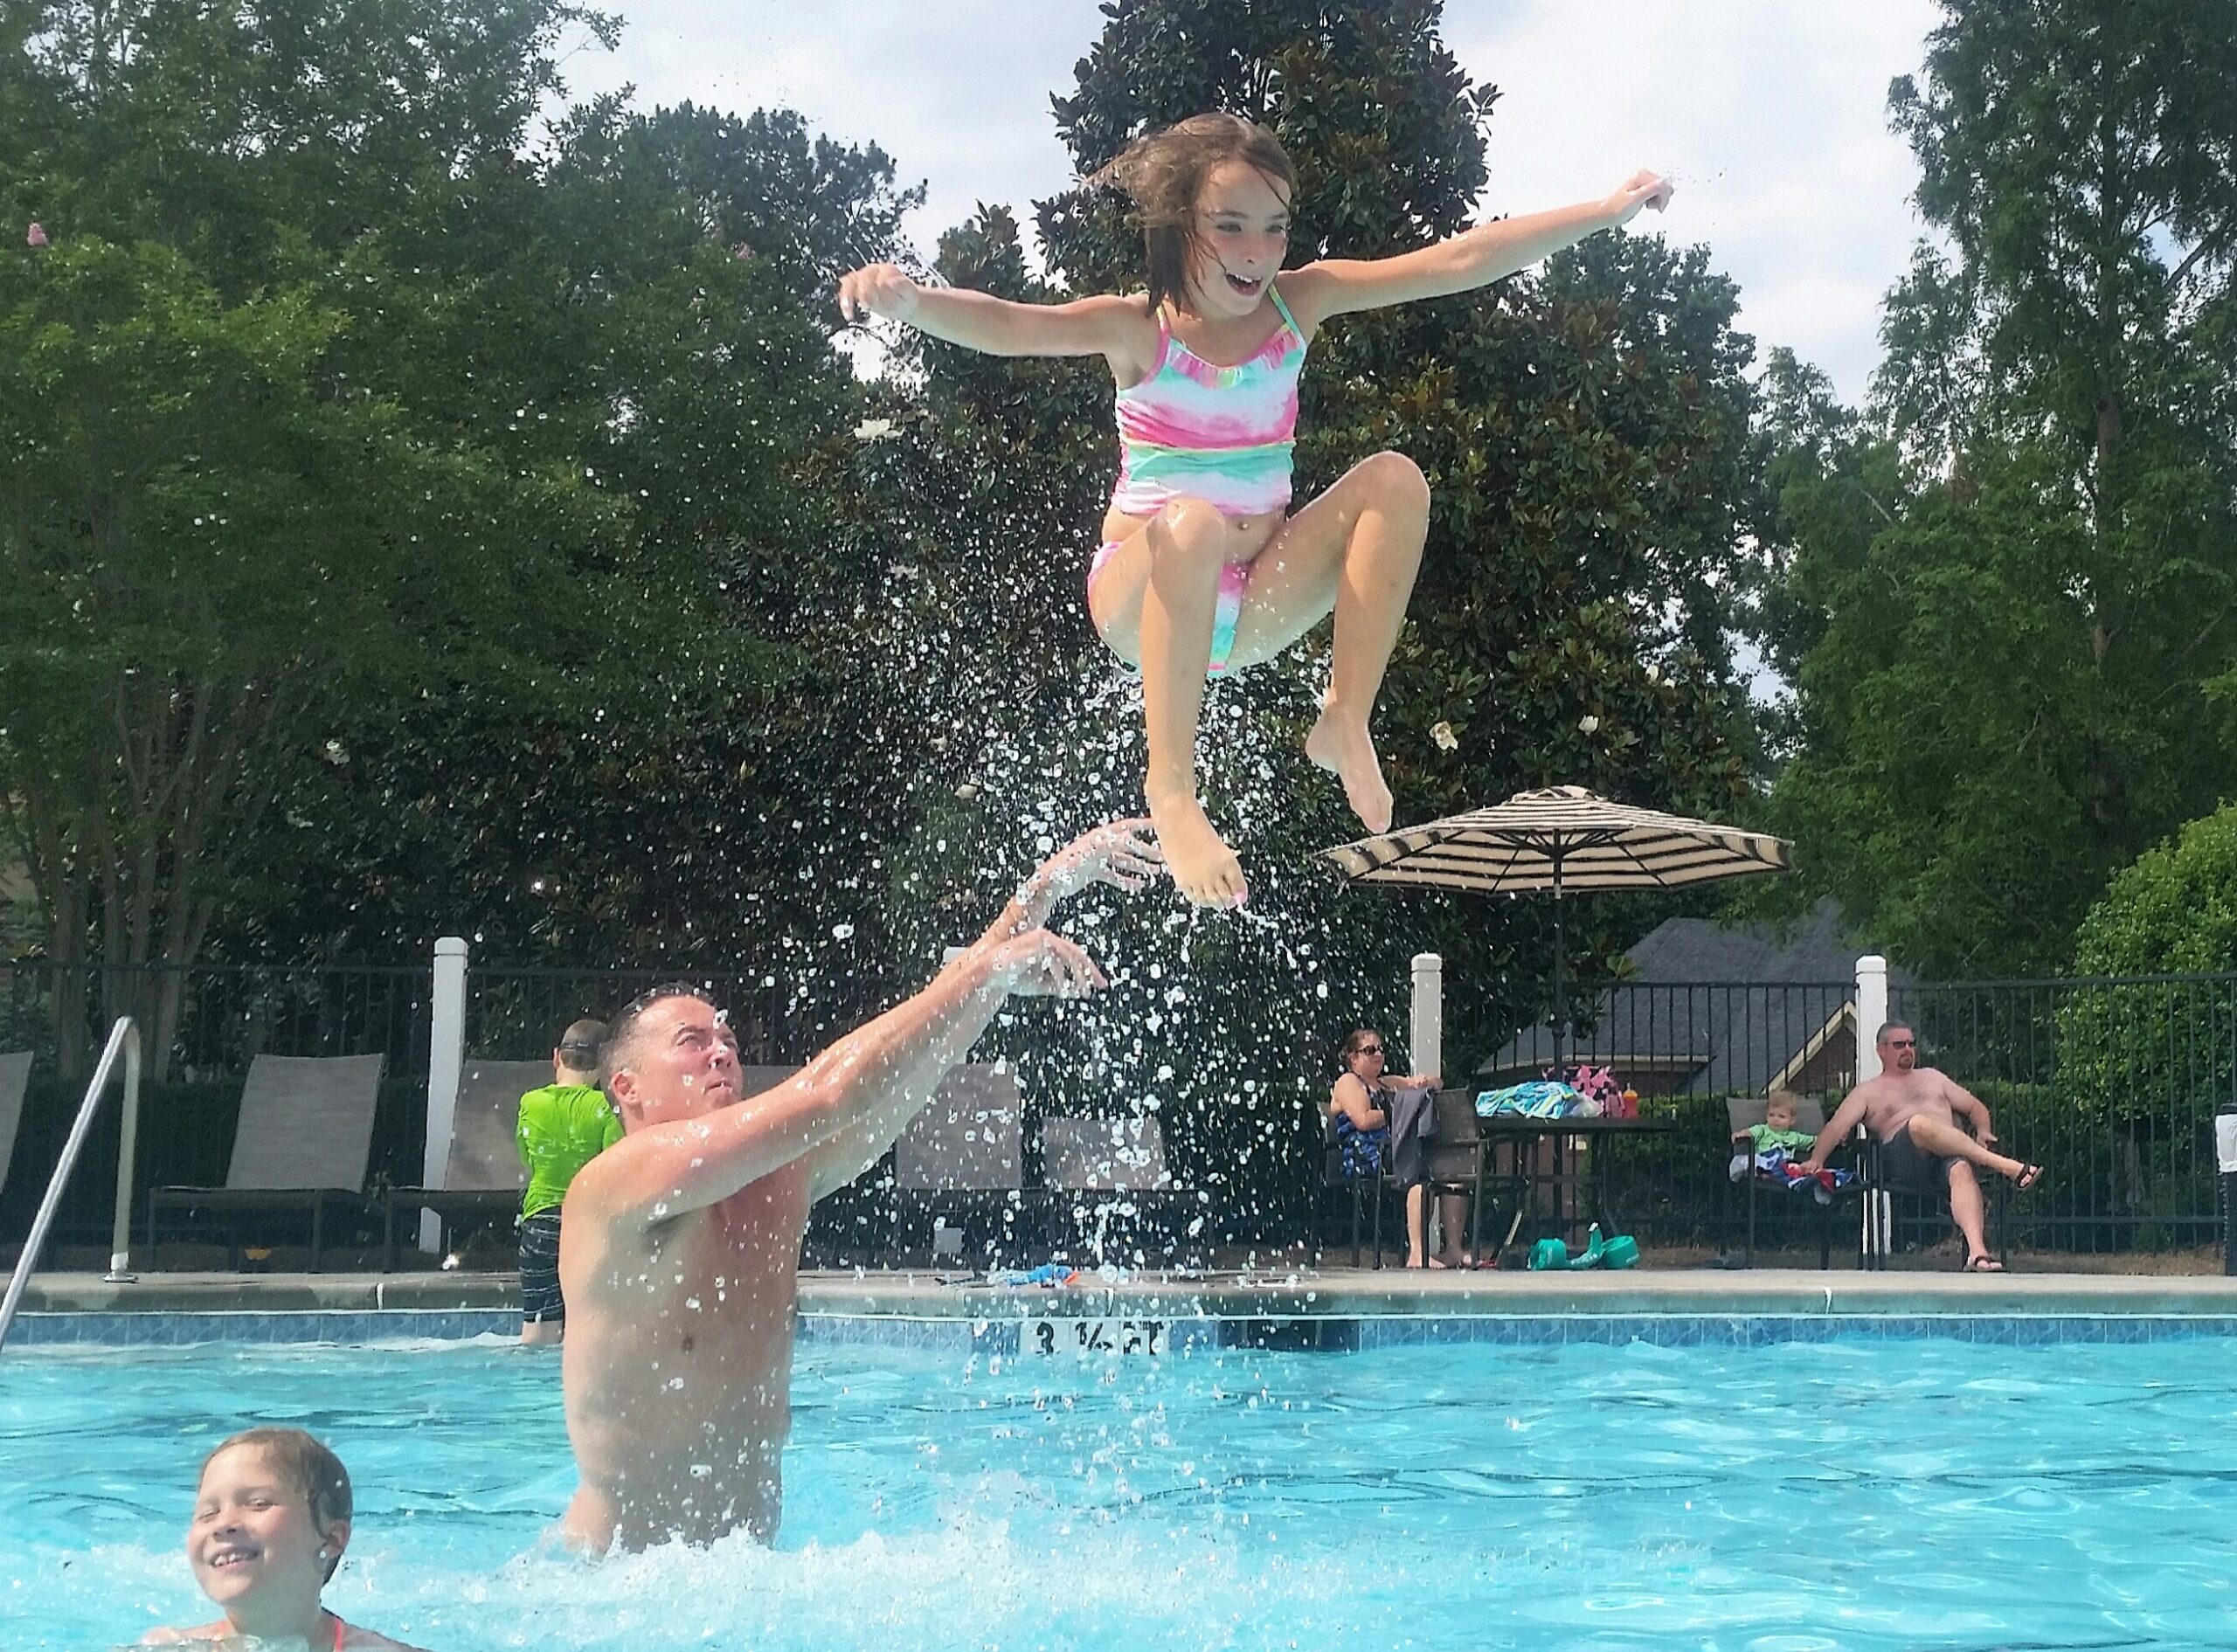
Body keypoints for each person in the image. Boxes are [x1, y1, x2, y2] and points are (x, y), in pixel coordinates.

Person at [837, 113, 1670, 909]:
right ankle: (1171, 788)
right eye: (1230, 227)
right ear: (1179, 226)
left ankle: (1344, 715)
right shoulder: (1137, 328)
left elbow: (1457, 261)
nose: (1259, 252)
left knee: (1396, 480)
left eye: (1275, 228)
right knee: (1191, 520)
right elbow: (1010, 324)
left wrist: (1605, 211)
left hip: (1259, 600)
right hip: (1148, 601)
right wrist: (913, 303)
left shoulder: (1296, 307)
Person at [557, 821, 1160, 1551]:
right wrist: (985, 972)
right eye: (692, 1043)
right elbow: (829, 1093)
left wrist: (1045, 887)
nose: (721, 1049)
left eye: (728, 1040)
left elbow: (913, 1067)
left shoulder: (778, 1180)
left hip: (743, 1580)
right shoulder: (615, 1186)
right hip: (613, 1592)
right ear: (627, 1086)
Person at [142, 1426, 426, 1650]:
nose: (223, 1524)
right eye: (208, 1513)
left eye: (258, 1503)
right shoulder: (168, 1648)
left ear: (330, 1538)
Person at [1795, 1020, 2044, 1271]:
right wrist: (1817, 1159)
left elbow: (1974, 1107)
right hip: (1902, 1163)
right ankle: (2008, 1167)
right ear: (1881, 1050)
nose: (1908, 1050)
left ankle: (1978, 1255)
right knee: (1919, 1125)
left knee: (1960, 1170)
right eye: (1899, 1045)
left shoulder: (1933, 1078)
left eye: (1911, 1044)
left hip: (1942, 1160)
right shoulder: (1867, 1092)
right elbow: (1836, 1127)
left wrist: (1983, 1130)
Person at [515, 1017, 620, 1346]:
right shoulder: (604, 1108)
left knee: (538, 1325)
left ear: (556, 1056)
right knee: (587, 1324)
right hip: (586, 1223)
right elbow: (614, 1166)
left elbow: (527, 1156)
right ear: (606, 1063)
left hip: (539, 1222)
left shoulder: (530, 1103)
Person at [1327, 1026, 1466, 1269]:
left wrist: (1425, 1082)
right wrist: (1399, 1111)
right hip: (1366, 1155)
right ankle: (1417, 1253)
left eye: (1381, 1049)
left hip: (1393, 1151)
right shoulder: (1348, 1082)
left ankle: (1454, 1249)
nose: (1378, 1054)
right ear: (1353, 1057)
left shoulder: (1386, 1083)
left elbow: (1436, 1084)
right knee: (1418, 1175)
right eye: (1370, 1050)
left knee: (1453, 1174)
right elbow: (1363, 1120)